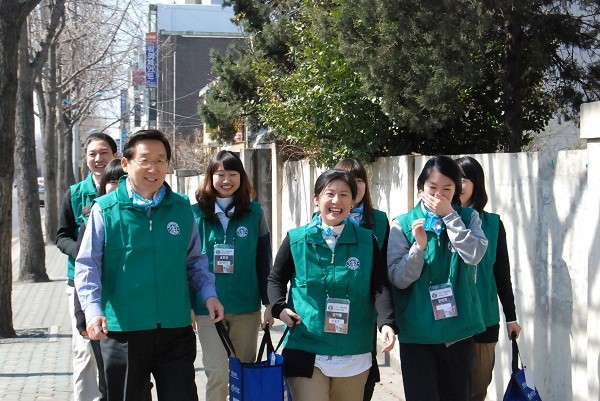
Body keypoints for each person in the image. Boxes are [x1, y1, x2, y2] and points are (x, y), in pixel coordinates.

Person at [75, 129, 224, 401]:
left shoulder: (181, 208)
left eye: (160, 161)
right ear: (125, 164)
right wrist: (93, 310)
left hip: (175, 327)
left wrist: (209, 294)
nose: (153, 169)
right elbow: (88, 265)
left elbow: (195, 260)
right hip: (124, 330)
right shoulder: (105, 209)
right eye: (145, 160)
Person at [268, 169, 397, 401]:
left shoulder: (367, 240)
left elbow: (380, 286)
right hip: (306, 345)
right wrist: (280, 308)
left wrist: (386, 323)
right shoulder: (297, 239)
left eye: (344, 195)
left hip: (354, 349)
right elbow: (276, 279)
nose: (337, 201)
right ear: (316, 199)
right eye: (330, 194)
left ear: (353, 201)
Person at [387, 155, 488, 401]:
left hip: (458, 331)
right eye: (432, 187)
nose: (439, 195)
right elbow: (398, 278)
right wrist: (418, 248)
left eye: (447, 189)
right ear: (421, 188)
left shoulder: (468, 218)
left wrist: (451, 217)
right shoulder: (403, 224)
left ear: (456, 190)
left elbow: (474, 255)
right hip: (418, 334)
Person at [191, 150, 273, 401]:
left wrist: (269, 303)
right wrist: (189, 306)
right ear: (210, 177)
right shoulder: (194, 214)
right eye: (220, 174)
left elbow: (263, 261)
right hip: (207, 308)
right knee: (217, 372)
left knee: (243, 372)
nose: (226, 180)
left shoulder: (255, 213)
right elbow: (187, 264)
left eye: (232, 174)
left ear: (241, 177)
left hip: (245, 306)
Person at [55, 132, 117, 401]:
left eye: (104, 153)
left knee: (115, 350)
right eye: (92, 154)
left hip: (117, 282)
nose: (98, 159)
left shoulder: (127, 189)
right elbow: (61, 235)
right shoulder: (76, 193)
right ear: (85, 158)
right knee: (85, 350)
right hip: (82, 283)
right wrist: (83, 252)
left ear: (115, 155)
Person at [455, 156, 522, 401]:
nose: (458, 185)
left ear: (476, 184)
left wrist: (511, 317)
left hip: (484, 319)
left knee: (477, 389)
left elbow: (501, 273)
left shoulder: (492, 224)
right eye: (454, 179)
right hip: (449, 321)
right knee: (452, 389)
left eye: (463, 179)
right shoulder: (440, 222)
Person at [334, 158, 389, 401]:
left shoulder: (379, 220)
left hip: (365, 308)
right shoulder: (322, 217)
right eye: (347, 180)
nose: (354, 186)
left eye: (359, 180)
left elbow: (383, 271)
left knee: (365, 366)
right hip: (331, 305)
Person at [72, 159, 126, 401]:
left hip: (130, 316)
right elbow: (83, 271)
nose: (116, 186)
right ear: (103, 185)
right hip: (101, 315)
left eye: (122, 180)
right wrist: (82, 315)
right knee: (108, 380)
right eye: (112, 181)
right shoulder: (93, 219)